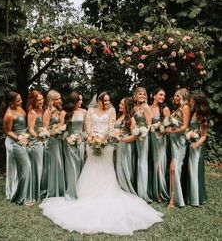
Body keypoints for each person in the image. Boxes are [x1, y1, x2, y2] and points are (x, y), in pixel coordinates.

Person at [39, 92, 163, 235]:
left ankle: (107, 191)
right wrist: (92, 138)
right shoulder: (90, 111)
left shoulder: (111, 110)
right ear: (98, 100)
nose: (107, 103)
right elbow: (88, 127)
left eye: (108, 100)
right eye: (105, 101)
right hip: (92, 142)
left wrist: (104, 138)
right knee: (91, 166)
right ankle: (85, 193)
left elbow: (111, 126)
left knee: (106, 167)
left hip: (107, 142)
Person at [3, 91, 32, 205]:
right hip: (14, 142)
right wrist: (19, 139)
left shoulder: (20, 109)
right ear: (11, 102)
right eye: (18, 101)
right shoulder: (9, 115)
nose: (21, 102)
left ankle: (21, 189)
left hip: (24, 139)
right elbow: (7, 131)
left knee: (22, 168)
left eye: (20, 99)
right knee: (23, 167)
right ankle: (19, 194)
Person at [165, 88, 190, 208]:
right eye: (175, 96)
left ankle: (174, 199)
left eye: (177, 96)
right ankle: (172, 196)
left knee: (175, 168)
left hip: (180, 141)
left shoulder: (185, 108)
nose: (175, 98)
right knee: (172, 168)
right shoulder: (176, 109)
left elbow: (185, 126)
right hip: (173, 140)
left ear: (183, 96)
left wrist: (172, 130)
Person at [187, 93, 209, 206]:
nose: (190, 102)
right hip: (190, 145)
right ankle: (191, 196)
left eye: (192, 101)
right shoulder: (193, 113)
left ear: (197, 103)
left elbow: (204, 136)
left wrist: (196, 144)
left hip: (197, 147)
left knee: (195, 171)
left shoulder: (202, 117)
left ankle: (196, 199)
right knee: (191, 171)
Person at [63, 91, 86, 199]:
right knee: (71, 166)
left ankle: (80, 190)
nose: (81, 101)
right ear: (74, 101)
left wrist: (84, 139)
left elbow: (85, 129)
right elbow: (62, 130)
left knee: (80, 164)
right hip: (69, 142)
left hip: (81, 141)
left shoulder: (84, 112)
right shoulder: (65, 113)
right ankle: (71, 191)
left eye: (81, 99)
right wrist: (68, 139)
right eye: (79, 100)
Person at [43, 90, 66, 197]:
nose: (59, 101)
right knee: (55, 164)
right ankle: (52, 190)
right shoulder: (48, 112)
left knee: (60, 163)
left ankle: (60, 188)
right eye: (56, 99)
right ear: (51, 100)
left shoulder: (59, 110)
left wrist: (61, 130)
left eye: (59, 98)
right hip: (52, 141)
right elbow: (45, 129)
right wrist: (56, 131)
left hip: (59, 140)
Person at [150, 88, 170, 202]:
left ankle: (160, 192)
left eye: (164, 95)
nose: (162, 97)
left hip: (161, 138)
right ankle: (153, 191)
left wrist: (161, 130)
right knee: (152, 163)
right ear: (154, 95)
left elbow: (169, 126)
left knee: (160, 164)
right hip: (151, 139)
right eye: (160, 94)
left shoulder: (165, 109)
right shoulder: (148, 108)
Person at [133, 87, 152, 202]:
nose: (142, 96)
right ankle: (137, 189)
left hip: (143, 137)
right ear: (135, 95)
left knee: (143, 161)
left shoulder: (146, 107)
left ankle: (143, 192)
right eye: (140, 94)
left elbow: (149, 124)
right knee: (138, 160)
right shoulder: (134, 107)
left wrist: (143, 133)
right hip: (135, 135)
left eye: (144, 94)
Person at [115, 97, 137, 194]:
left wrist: (121, 139)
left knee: (123, 166)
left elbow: (134, 136)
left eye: (122, 104)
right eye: (120, 104)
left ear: (127, 107)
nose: (119, 106)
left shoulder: (131, 119)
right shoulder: (119, 116)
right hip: (116, 145)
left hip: (125, 145)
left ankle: (124, 189)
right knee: (117, 165)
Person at [27, 90, 45, 201]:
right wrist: (39, 138)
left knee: (43, 167)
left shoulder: (42, 110)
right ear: (34, 101)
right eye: (39, 100)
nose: (41, 101)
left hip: (43, 140)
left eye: (42, 99)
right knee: (37, 167)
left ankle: (41, 189)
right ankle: (34, 192)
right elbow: (31, 129)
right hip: (36, 142)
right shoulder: (32, 113)